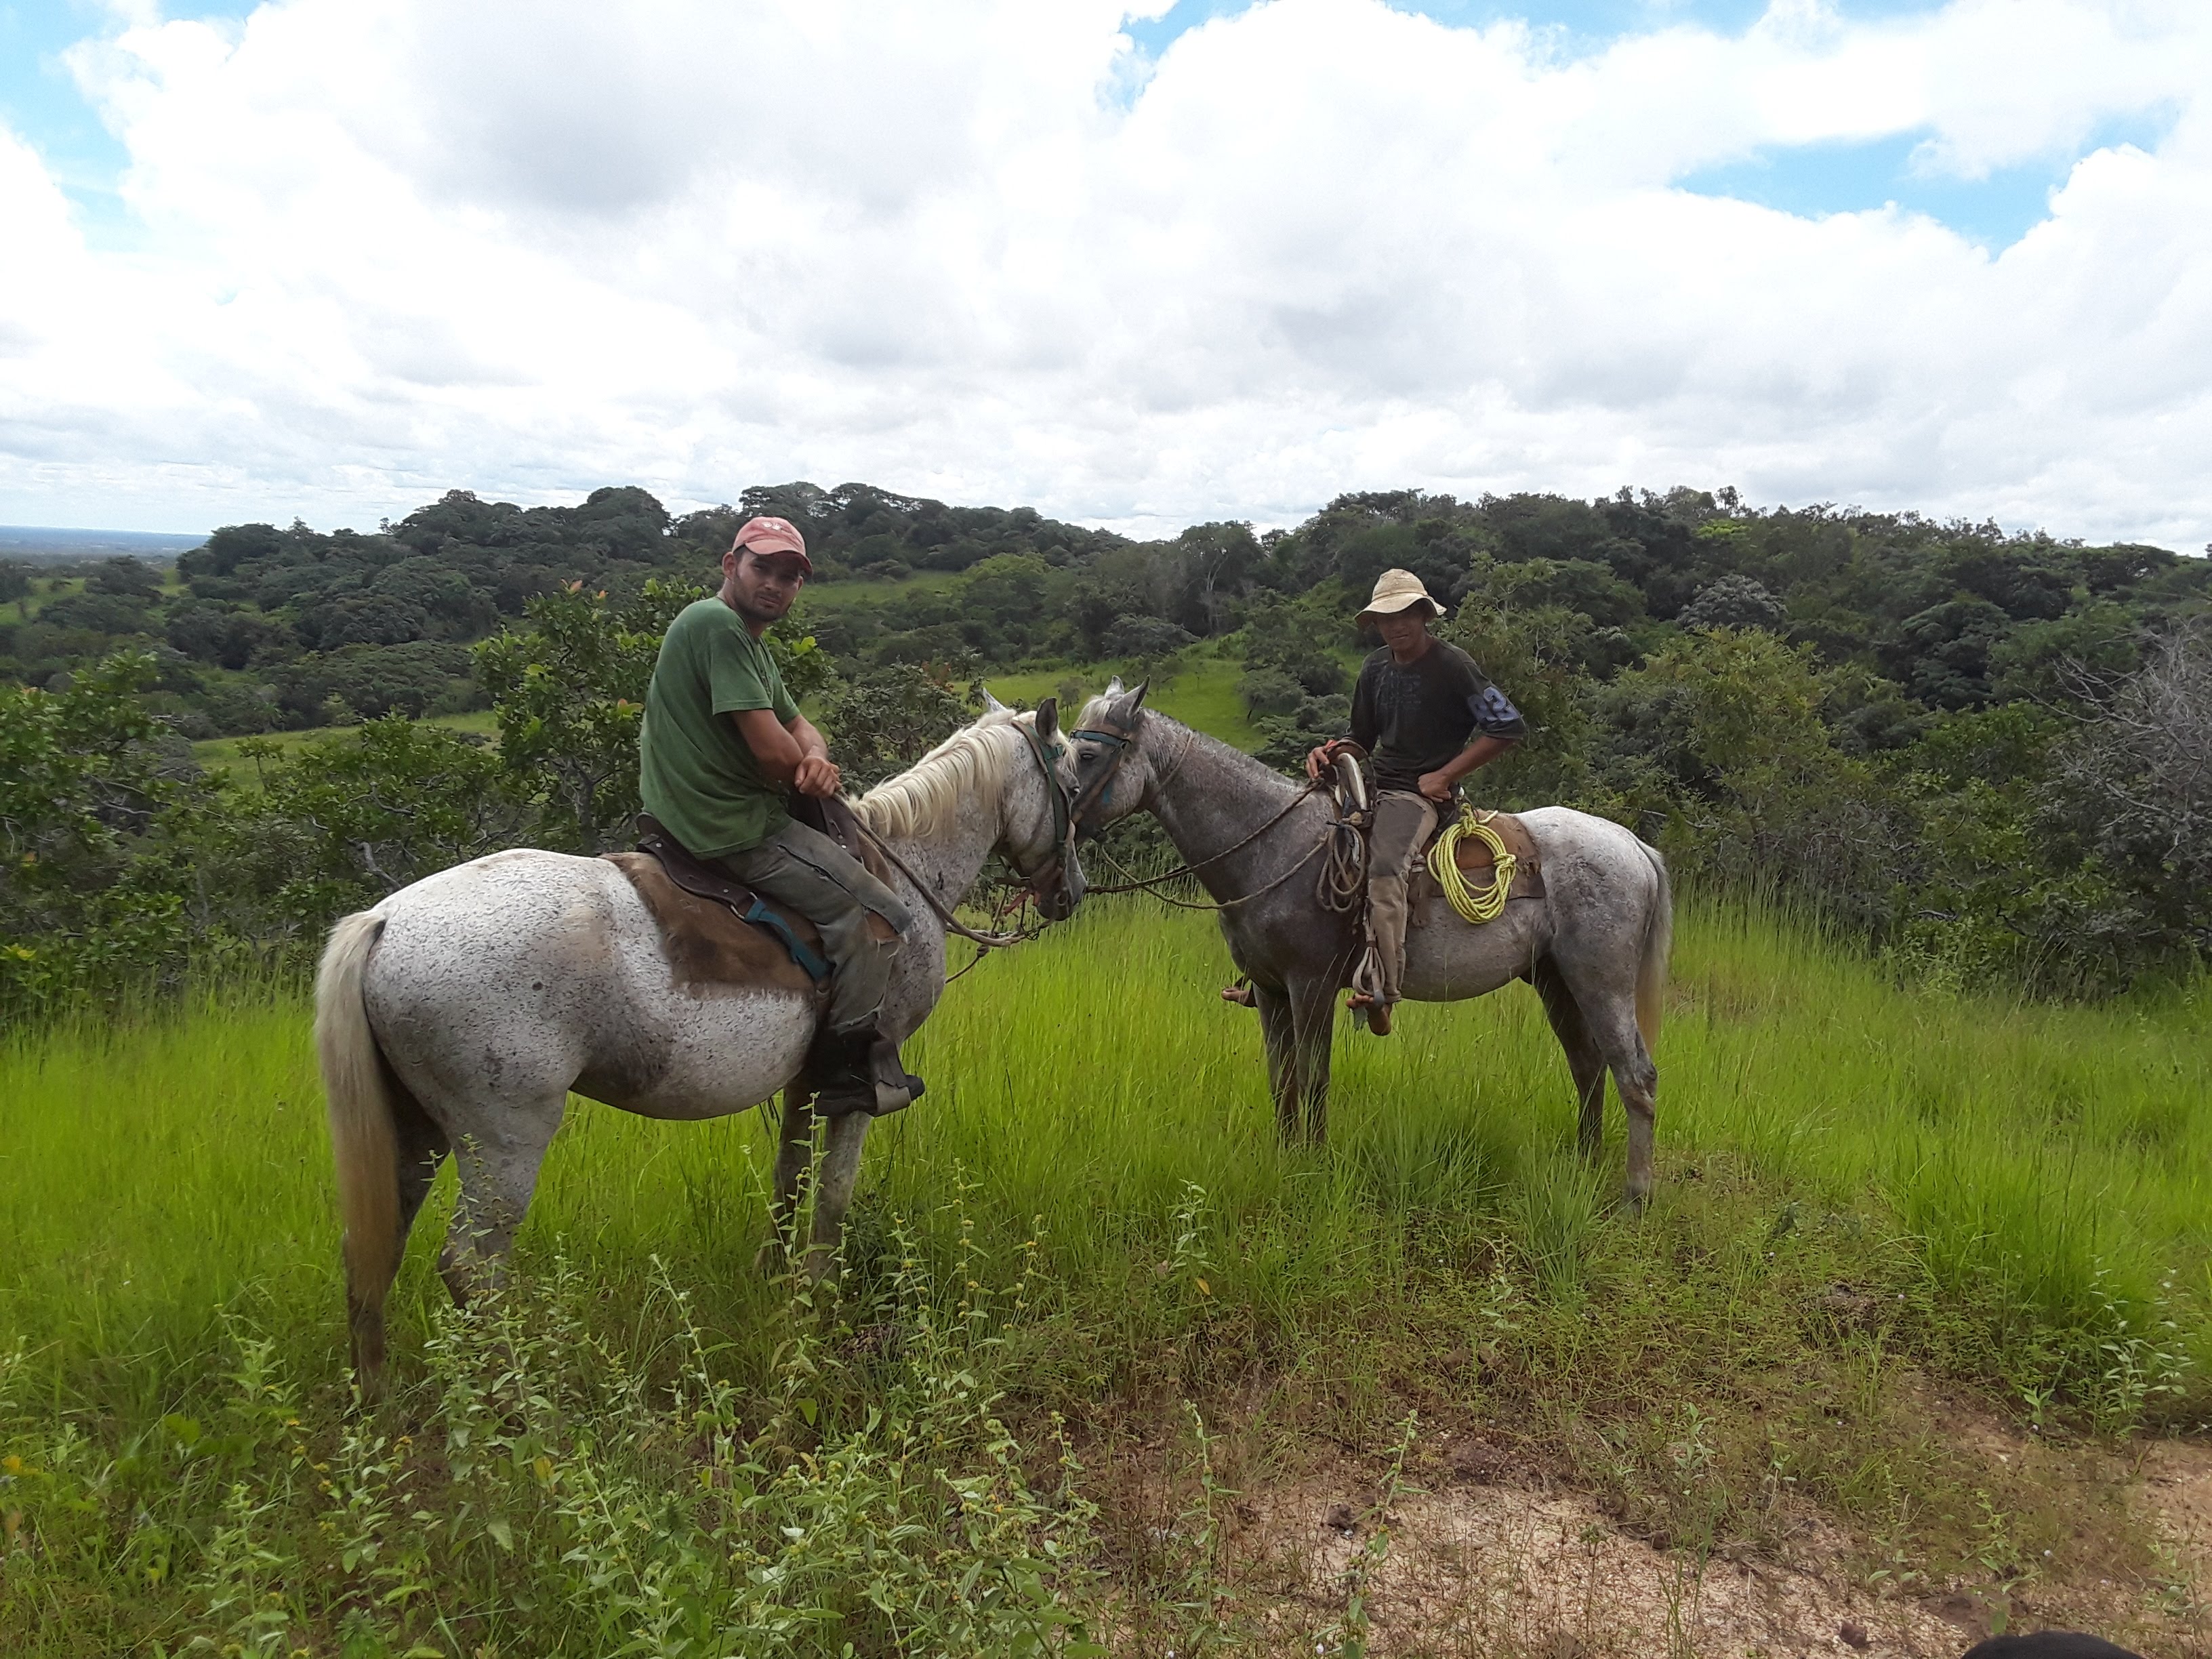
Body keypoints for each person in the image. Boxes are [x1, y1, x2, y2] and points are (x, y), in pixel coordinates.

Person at [638, 515, 919, 1115]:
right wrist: (810, 770)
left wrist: (814, 757)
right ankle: (841, 1070)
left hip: (697, 814)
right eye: (761, 567)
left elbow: (798, 726)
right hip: (730, 825)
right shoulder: (717, 625)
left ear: (799, 587)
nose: (774, 583)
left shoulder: (749, 643)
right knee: (879, 915)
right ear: (730, 564)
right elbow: (772, 751)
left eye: (788, 575)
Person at [1306, 568, 1526, 1035]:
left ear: (1425, 615)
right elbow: (1361, 737)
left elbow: (1507, 727)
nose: (1396, 625)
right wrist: (1332, 751)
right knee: (1305, 842)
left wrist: (1445, 775)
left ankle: (1383, 990)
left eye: (1406, 614)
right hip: (1375, 782)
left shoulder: (1453, 665)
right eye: (1386, 618)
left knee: (1386, 870)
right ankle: (1279, 965)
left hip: (1419, 794)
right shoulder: (1375, 668)